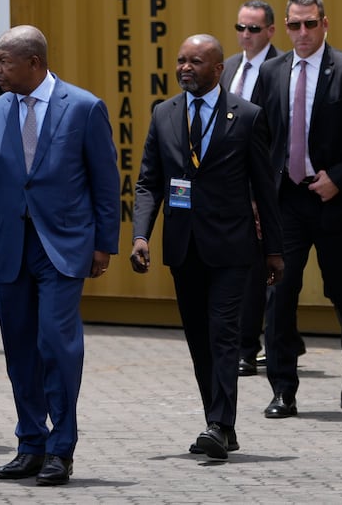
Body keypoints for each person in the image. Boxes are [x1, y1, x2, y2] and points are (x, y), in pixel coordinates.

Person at [0, 26, 119, 487]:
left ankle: (62, 448)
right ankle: (31, 443)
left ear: (34, 62)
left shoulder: (83, 107)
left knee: (56, 345)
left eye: (3, 62)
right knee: (19, 349)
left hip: (63, 246)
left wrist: (104, 243)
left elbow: (104, 180)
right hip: (9, 247)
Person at [131, 34, 284, 459]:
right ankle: (220, 423)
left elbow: (265, 190)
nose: (185, 68)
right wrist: (141, 235)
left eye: (195, 62)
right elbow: (149, 181)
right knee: (199, 339)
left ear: (218, 69)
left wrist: (274, 250)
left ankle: (219, 425)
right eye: (181, 61)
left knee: (223, 335)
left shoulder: (248, 116)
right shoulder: (164, 113)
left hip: (233, 249)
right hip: (184, 248)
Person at [252, 0, 342, 418]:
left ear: (325, 24)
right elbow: (259, 137)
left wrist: (339, 178)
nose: (303, 32)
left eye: (310, 23)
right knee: (281, 290)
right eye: (295, 25)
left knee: (340, 288)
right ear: (287, 27)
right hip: (286, 201)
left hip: (334, 200)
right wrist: (256, 198)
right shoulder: (273, 72)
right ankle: (283, 390)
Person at [220, 0, 287, 377]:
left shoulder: (281, 68)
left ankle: (267, 341)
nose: (246, 36)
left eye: (254, 30)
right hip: (231, 181)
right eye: (240, 28)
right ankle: (247, 345)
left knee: (268, 264)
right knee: (242, 267)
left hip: (266, 179)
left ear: (271, 32)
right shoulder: (228, 66)